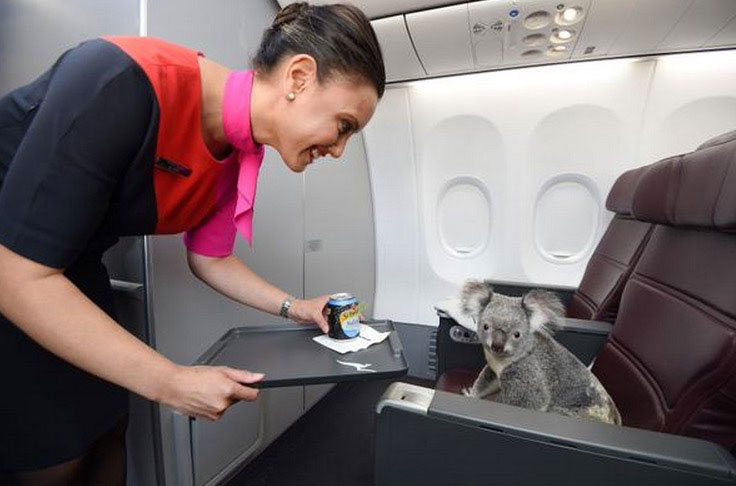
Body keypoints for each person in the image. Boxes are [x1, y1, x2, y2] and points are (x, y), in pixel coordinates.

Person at [0, 2, 385, 484]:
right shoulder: (118, 79)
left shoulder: (237, 148)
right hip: (14, 264)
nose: (338, 148)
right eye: (344, 125)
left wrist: (299, 307)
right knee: (55, 455)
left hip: (68, 266)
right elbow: (17, 273)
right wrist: (170, 380)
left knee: (109, 426)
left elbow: (211, 258)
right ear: (299, 78)